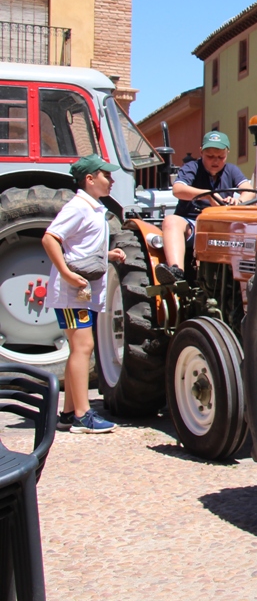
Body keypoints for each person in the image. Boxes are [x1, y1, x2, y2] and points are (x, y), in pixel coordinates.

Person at [42, 154, 126, 433]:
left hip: (82, 291)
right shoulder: (78, 206)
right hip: (72, 293)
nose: (111, 180)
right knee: (83, 347)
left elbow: (80, 245)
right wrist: (66, 274)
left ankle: (69, 413)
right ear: (89, 179)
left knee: (78, 349)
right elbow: (50, 238)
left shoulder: (93, 207)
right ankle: (82, 415)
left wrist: (106, 254)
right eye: (106, 175)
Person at [156, 131, 252, 283]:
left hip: (221, 227)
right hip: (193, 223)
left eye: (220, 157)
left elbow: (249, 191)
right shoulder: (192, 168)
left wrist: (238, 201)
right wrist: (208, 195)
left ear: (227, 153)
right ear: (201, 152)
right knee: (171, 221)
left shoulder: (231, 170)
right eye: (210, 156)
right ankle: (176, 272)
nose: (215, 161)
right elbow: (178, 189)